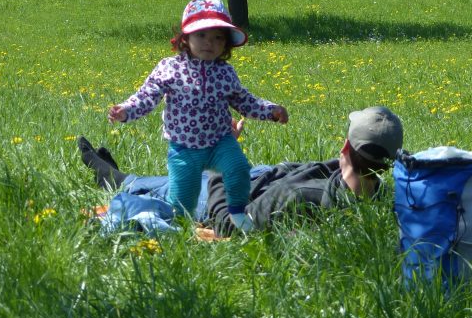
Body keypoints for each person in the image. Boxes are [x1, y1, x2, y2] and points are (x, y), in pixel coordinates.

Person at [107, 0, 288, 232]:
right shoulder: (170, 68)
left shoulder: (225, 73)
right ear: (186, 38)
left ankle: (237, 214)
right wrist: (126, 111)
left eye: (217, 38)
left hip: (220, 142)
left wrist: (270, 110)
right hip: (184, 148)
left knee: (239, 170)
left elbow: (244, 100)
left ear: (226, 44)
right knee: (183, 199)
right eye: (201, 35)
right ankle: (180, 230)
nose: (209, 43)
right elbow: (147, 96)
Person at [79, 105, 404, 236]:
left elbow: (227, 224)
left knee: (181, 184)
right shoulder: (381, 195)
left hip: (235, 194)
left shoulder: (299, 199)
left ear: (346, 147)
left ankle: (117, 179)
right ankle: (119, 177)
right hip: (264, 178)